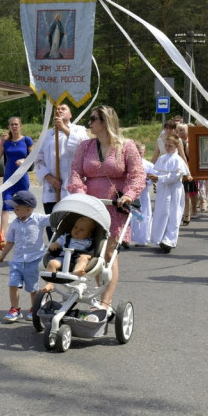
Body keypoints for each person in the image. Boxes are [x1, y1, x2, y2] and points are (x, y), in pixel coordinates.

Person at [67, 105, 145, 314]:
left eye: (93, 119)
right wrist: (79, 193)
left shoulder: (126, 146)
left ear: (105, 122)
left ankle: (105, 301)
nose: (89, 123)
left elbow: (137, 174)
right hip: (90, 205)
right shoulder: (85, 146)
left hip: (115, 206)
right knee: (92, 249)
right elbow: (75, 172)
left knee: (109, 252)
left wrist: (129, 194)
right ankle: (97, 291)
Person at [0, 190, 49, 322]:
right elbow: (10, 242)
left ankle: (34, 308)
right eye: (14, 208)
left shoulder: (38, 219)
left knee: (33, 288)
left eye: (17, 208)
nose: (14, 210)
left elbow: (54, 218)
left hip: (34, 261)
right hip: (17, 261)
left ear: (28, 209)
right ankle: (15, 309)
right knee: (13, 284)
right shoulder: (14, 224)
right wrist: (3, 254)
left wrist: (64, 209)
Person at [35, 103, 89, 217]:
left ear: (70, 115)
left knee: (70, 225)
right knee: (53, 225)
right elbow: (39, 160)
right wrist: (50, 178)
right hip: (51, 187)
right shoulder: (47, 134)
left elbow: (83, 147)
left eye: (63, 109)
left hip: (71, 187)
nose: (59, 110)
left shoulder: (79, 130)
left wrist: (63, 128)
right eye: (57, 109)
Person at [0, 116, 34, 236]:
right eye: (12, 124)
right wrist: (2, 143)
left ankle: (25, 232)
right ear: (8, 127)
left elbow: (33, 158)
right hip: (9, 179)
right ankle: (2, 236)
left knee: (23, 205)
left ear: (21, 126)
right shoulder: (6, 142)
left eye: (16, 124)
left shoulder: (27, 140)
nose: (14, 126)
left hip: (22, 178)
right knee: (6, 205)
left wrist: (24, 161)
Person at [149, 134, 189, 253]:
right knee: (162, 212)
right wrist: (152, 178)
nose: (167, 147)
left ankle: (170, 240)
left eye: (170, 145)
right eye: (166, 145)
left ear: (176, 146)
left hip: (174, 189)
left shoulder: (178, 160)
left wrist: (159, 178)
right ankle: (161, 237)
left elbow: (175, 176)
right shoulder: (162, 158)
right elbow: (156, 172)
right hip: (163, 190)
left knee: (174, 213)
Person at [129, 144, 155, 248]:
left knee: (144, 214)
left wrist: (145, 183)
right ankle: (128, 238)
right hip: (131, 193)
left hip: (143, 193)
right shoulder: (129, 164)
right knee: (131, 214)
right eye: (137, 152)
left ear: (144, 152)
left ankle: (142, 238)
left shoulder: (148, 165)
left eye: (141, 152)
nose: (138, 154)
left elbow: (153, 178)